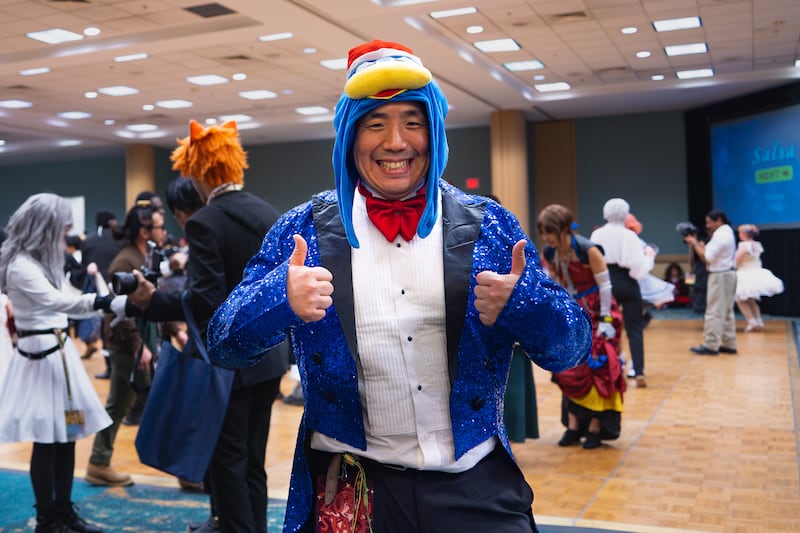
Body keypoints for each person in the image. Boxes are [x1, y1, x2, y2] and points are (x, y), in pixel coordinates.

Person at [206, 39, 592, 533]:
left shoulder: (489, 226)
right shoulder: (301, 231)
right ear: (349, 134)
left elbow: (572, 349)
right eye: (375, 124)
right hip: (350, 494)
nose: (396, 142)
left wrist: (526, 308)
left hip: (474, 486)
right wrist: (278, 299)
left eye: (412, 122)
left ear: (433, 130)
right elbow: (224, 344)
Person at [125, 120, 289, 533]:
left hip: (229, 364)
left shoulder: (205, 221)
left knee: (227, 462)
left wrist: (150, 301)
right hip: (269, 360)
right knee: (253, 460)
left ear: (198, 170)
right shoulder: (267, 211)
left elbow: (204, 299)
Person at [0, 193, 123, 533]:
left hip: (59, 354)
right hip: (40, 358)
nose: (66, 233)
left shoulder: (43, 263)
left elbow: (67, 295)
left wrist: (105, 300)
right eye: (62, 226)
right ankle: (47, 519)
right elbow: (59, 302)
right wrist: (107, 302)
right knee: (46, 440)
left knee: (67, 435)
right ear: (45, 227)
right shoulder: (21, 265)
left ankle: (65, 512)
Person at [84, 199, 166, 487]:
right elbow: (120, 310)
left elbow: (156, 302)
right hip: (127, 347)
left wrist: (172, 330)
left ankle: (99, 461)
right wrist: (137, 345)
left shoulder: (149, 257)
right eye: (159, 225)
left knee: (135, 404)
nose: (164, 231)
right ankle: (98, 462)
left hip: (144, 343)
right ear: (145, 231)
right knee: (121, 405)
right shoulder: (125, 262)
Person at [537, 204, 626, 449]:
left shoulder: (589, 250)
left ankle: (596, 428)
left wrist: (606, 322)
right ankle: (574, 426)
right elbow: (555, 286)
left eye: (550, 232)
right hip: (572, 314)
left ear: (563, 229)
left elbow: (605, 288)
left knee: (598, 369)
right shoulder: (551, 252)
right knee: (568, 368)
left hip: (599, 314)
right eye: (544, 233)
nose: (546, 238)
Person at [590, 198, 654, 388]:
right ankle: (639, 370)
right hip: (628, 283)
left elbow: (592, 261)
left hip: (605, 283)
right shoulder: (630, 236)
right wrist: (649, 259)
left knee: (607, 325)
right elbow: (638, 268)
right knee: (635, 328)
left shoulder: (597, 235)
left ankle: (609, 368)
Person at [684, 210, 737, 355]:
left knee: (714, 311)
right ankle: (729, 342)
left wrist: (694, 243)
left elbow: (707, 258)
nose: (707, 226)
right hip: (728, 273)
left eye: (709, 222)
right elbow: (709, 253)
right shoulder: (727, 232)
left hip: (719, 275)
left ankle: (711, 344)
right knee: (726, 310)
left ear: (719, 220)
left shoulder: (720, 235)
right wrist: (699, 245)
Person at [734, 224, 784, 332]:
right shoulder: (757, 244)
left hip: (745, 274)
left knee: (741, 300)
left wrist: (733, 268)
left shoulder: (744, 245)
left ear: (743, 234)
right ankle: (758, 321)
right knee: (751, 300)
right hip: (756, 272)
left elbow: (736, 260)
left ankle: (752, 322)